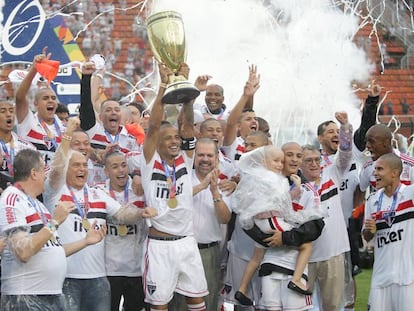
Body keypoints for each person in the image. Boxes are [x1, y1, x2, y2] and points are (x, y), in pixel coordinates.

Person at [43, 140, 156, 311]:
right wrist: (67, 137)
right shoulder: (55, 194)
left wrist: (141, 213)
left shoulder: (97, 193)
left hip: (98, 278)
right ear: (66, 168)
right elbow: (56, 171)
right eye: (76, 165)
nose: (82, 169)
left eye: (84, 165)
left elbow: (123, 213)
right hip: (67, 277)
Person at [0, 149, 106, 310]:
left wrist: (85, 242)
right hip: (25, 297)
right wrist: (55, 221)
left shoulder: (39, 205)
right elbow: (23, 251)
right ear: (34, 173)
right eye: (44, 169)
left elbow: (53, 249)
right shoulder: (12, 198)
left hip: (52, 295)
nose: (46, 174)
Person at [140, 62, 208, 310]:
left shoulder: (186, 158)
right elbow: (155, 126)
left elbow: (188, 125)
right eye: (167, 138)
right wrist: (164, 86)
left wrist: (188, 93)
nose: (173, 141)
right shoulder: (150, 160)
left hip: (187, 241)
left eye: (176, 137)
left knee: (197, 300)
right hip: (160, 246)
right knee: (160, 305)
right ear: (156, 142)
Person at [232, 146, 323, 307]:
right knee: (306, 246)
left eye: (298, 156)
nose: (291, 160)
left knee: (256, 256)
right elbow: (282, 203)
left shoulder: (257, 177)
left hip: (276, 245)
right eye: (287, 156)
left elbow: (316, 226)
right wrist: (296, 191)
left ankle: (242, 288)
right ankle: (296, 280)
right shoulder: (273, 179)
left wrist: (284, 237)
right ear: (264, 161)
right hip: (271, 244)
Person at [299, 111, 353, 311]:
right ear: (299, 164)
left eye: (316, 159)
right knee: (301, 307)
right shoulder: (295, 187)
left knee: (333, 306)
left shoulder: (333, 172)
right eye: (308, 161)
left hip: (333, 253)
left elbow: (346, 152)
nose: (314, 164)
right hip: (305, 256)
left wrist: (345, 127)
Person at [98, 151, 149, 311]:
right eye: (115, 167)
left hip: (136, 269)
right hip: (108, 268)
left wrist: (137, 176)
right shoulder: (98, 192)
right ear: (106, 171)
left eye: (124, 165)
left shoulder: (140, 190)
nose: (121, 170)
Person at [363, 153, 414, 311]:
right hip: (380, 277)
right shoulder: (372, 200)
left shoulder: (410, 194)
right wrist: (369, 231)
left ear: (394, 173)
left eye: (379, 169)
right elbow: (366, 235)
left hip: (407, 278)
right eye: (374, 169)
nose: (375, 173)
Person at [191, 138, 232, 311]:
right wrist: (202, 186)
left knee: (208, 303)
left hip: (209, 253)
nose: (205, 159)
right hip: (183, 249)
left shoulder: (224, 183)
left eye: (209, 155)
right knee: (178, 303)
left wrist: (215, 191)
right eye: (200, 155)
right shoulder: (182, 179)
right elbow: (174, 203)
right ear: (193, 156)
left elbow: (225, 218)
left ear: (216, 158)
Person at [14, 49, 65, 168]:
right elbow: (20, 97)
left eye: (53, 98)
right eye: (46, 98)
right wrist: (34, 69)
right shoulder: (28, 121)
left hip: (55, 183)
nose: (51, 100)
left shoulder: (63, 128)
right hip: (32, 180)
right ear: (36, 103)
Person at [359, 124, 414, 193]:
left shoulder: (410, 165)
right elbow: (360, 191)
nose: (367, 145)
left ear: (386, 142)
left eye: (371, 141)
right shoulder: (368, 167)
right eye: (366, 142)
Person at [221, 66, 260, 163]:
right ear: (238, 126)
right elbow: (231, 123)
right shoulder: (233, 144)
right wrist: (245, 96)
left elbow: (247, 110)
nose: (254, 121)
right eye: (248, 119)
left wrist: (250, 95)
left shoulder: (264, 145)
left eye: (255, 118)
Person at [0, 99, 35, 191]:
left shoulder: (27, 148)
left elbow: (38, 178)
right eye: (3, 111)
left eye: (11, 111)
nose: (9, 114)